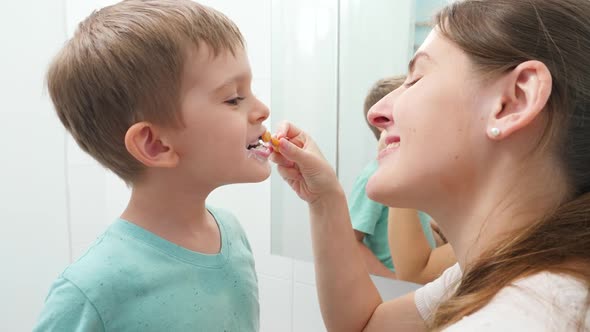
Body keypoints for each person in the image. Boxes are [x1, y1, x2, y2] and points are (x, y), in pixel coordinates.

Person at [270, 0, 590, 330]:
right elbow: (368, 326)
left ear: (513, 101)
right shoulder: (516, 270)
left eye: (415, 78)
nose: (376, 113)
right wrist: (325, 199)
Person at [34, 1, 270, 331]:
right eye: (233, 98)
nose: (262, 110)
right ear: (155, 144)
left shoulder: (231, 233)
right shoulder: (90, 290)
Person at [350, 76, 437, 279]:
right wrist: (393, 281)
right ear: (386, 126)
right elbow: (351, 241)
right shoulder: (373, 177)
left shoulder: (414, 174)